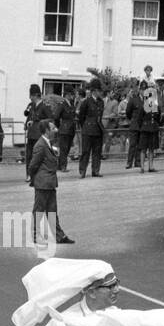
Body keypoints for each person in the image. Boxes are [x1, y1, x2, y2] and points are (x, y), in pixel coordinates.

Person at [27, 120, 73, 248]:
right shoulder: (41, 145)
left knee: (52, 211)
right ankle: (36, 236)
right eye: (53, 128)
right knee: (39, 210)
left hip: (49, 183)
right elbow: (32, 166)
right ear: (47, 130)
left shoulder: (47, 143)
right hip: (43, 183)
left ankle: (59, 236)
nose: (56, 130)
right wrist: (36, 179)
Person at [76, 78, 105, 178]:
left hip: (98, 129)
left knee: (97, 152)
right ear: (94, 91)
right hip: (88, 130)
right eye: (99, 91)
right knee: (85, 152)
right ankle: (82, 171)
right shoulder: (86, 102)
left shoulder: (101, 102)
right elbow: (81, 117)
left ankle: (95, 170)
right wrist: (85, 126)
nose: (100, 93)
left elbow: (100, 116)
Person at [55, 88, 77, 171]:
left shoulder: (71, 104)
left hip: (71, 129)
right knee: (63, 148)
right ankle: (63, 166)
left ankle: (60, 165)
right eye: (71, 94)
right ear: (67, 95)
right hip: (64, 129)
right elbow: (56, 116)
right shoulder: (62, 104)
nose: (73, 96)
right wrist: (59, 126)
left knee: (67, 148)